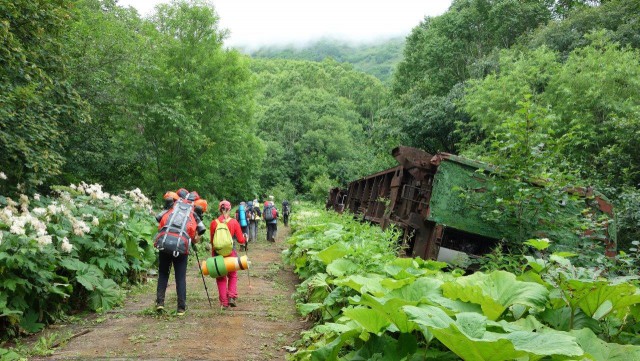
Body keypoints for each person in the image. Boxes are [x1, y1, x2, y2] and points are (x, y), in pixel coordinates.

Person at [155, 189, 206, 316]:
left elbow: (160, 225)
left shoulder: (172, 207)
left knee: (163, 273)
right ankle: (181, 308)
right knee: (180, 277)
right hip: (181, 248)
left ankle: (160, 303)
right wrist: (194, 240)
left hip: (165, 244)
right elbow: (195, 237)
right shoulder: (193, 213)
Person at [210, 200, 246, 309]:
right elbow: (240, 240)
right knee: (233, 275)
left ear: (219, 209)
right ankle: (231, 296)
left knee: (221, 278)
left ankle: (224, 303)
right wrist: (245, 238)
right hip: (231, 253)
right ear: (229, 209)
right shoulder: (234, 222)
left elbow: (212, 241)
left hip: (217, 254)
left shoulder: (214, 223)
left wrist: (213, 255)